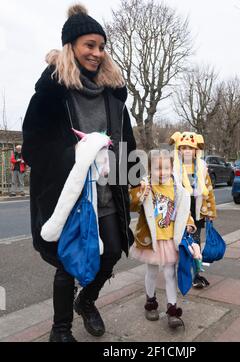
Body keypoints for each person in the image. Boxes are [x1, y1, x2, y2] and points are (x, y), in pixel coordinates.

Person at [22, 4, 137, 342]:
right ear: (71, 47)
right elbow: (32, 148)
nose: (97, 53)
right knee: (66, 264)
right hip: (66, 197)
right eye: (89, 45)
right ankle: (60, 332)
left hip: (107, 195)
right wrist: (76, 156)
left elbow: (126, 143)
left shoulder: (114, 98)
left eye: (101, 46)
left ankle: (86, 301)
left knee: (113, 251)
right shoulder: (50, 96)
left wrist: (135, 179)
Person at [129, 150, 196, 329]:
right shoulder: (145, 185)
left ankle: (172, 310)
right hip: (151, 239)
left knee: (169, 274)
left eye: (166, 167)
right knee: (151, 272)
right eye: (157, 168)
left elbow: (184, 210)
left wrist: (189, 223)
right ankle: (150, 302)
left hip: (170, 239)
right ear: (150, 169)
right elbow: (131, 204)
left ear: (171, 167)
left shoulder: (177, 188)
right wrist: (142, 194)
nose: (163, 172)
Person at [170, 132, 217, 288]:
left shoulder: (202, 167)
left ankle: (196, 274)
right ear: (179, 150)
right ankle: (180, 270)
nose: (187, 151)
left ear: (196, 150)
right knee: (180, 241)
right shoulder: (173, 168)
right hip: (179, 211)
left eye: (190, 148)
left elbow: (208, 191)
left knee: (195, 241)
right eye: (183, 148)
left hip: (197, 211)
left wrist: (211, 212)